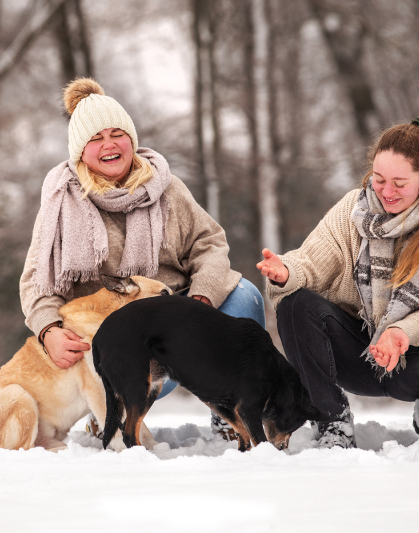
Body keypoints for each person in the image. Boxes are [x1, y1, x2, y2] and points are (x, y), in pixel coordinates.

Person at [20, 77, 264, 440]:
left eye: (117, 133)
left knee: (245, 296)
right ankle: (107, 408)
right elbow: (37, 281)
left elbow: (209, 244)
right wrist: (48, 330)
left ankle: (233, 405)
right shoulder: (61, 203)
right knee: (111, 369)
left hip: (180, 322)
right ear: (79, 151)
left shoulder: (166, 187)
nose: (109, 145)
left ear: (131, 139)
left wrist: (200, 303)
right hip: (119, 342)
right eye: (95, 138)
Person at [256, 117, 419, 448]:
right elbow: (312, 260)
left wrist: (401, 332)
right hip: (355, 354)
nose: (386, 191)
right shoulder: (353, 209)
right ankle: (331, 419)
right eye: (379, 179)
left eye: (399, 183)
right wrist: (286, 272)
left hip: (412, 360)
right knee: (296, 304)